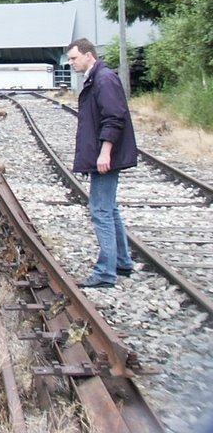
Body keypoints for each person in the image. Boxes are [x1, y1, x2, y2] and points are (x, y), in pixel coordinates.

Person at [66, 38, 137, 288]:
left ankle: (106, 273)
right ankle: (122, 261)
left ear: (88, 55)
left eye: (74, 58)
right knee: (109, 208)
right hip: (103, 154)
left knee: (101, 210)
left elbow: (114, 117)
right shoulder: (97, 78)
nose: (71, 62)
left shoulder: (104, 79)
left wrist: (105, 152)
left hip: (106, 155)